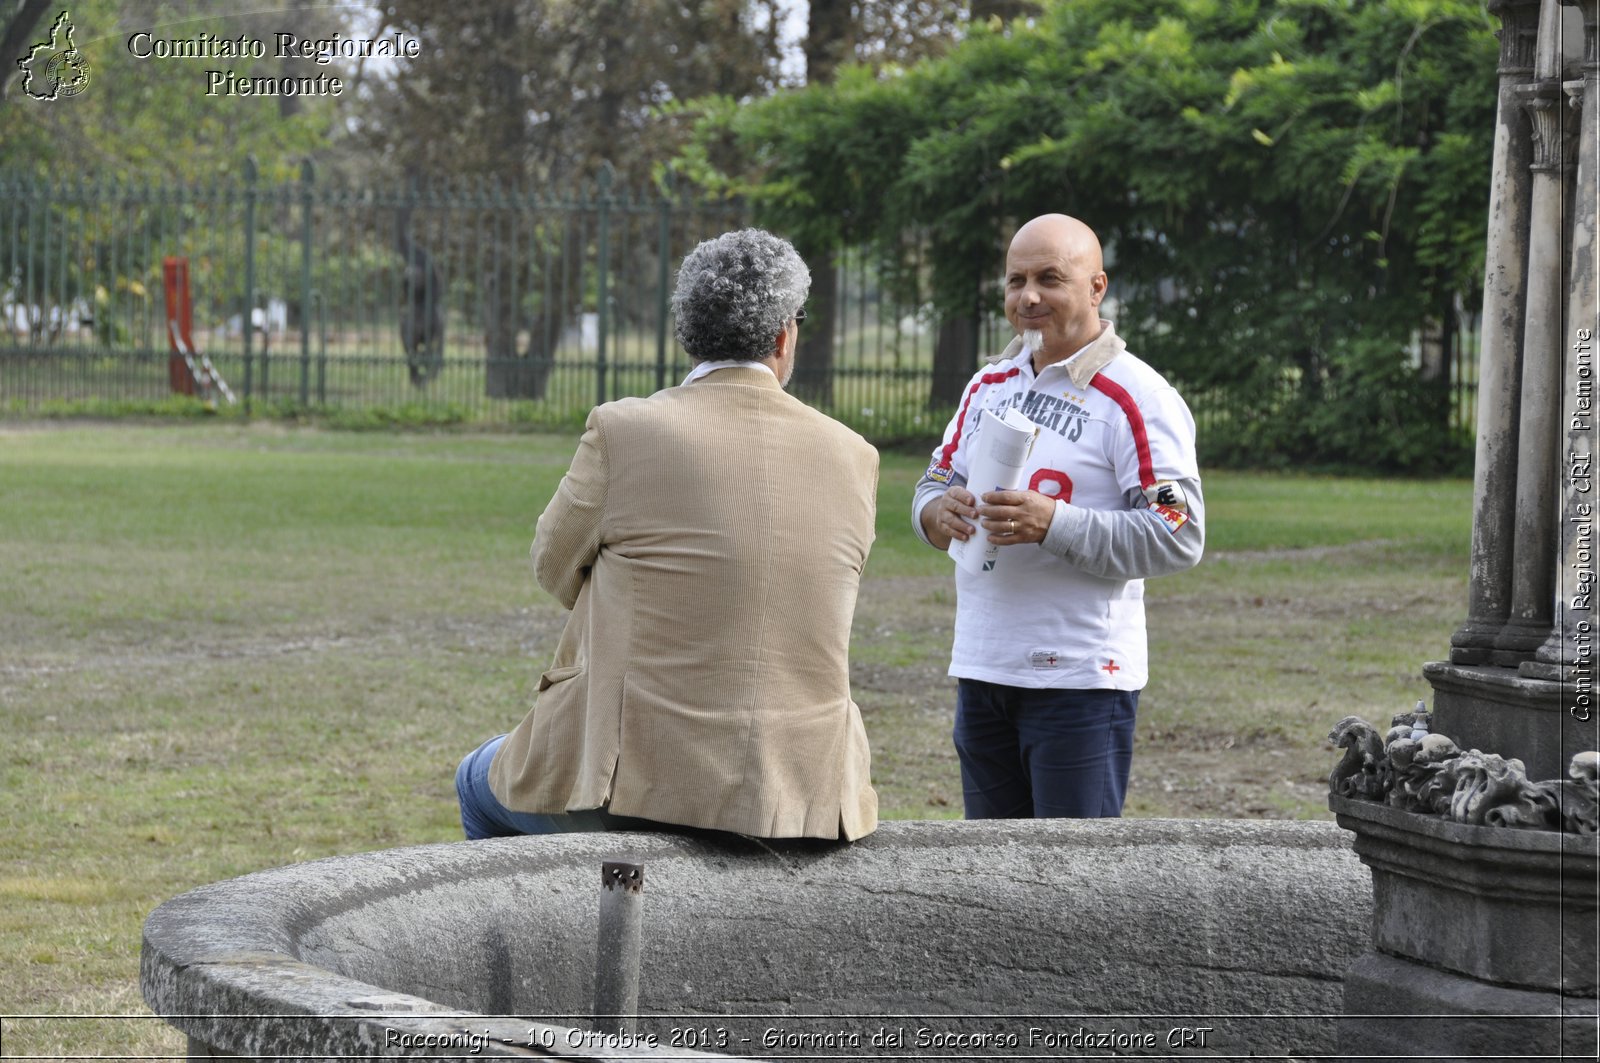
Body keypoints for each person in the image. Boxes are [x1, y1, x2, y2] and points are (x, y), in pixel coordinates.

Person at [456, 228, 880, 841]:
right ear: (786, 335)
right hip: (808, 790)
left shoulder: (624, 431)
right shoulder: (854, 455)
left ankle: (541, 937)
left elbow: (553, 567)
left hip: (647, 784)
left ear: (687, 330)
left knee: (476, 779)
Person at [913, 213, 1204, 819]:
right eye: (1016, 280)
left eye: (1050, 278)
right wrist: (937, 512)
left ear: (1097, 287)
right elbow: (935, 481)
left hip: (1079, 681)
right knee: (991, 881)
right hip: (983, 667)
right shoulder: (987, 384)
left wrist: (1054, 522)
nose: (1029, 297)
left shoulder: (1139, 397)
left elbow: (1179, 531)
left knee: (1076, 889)